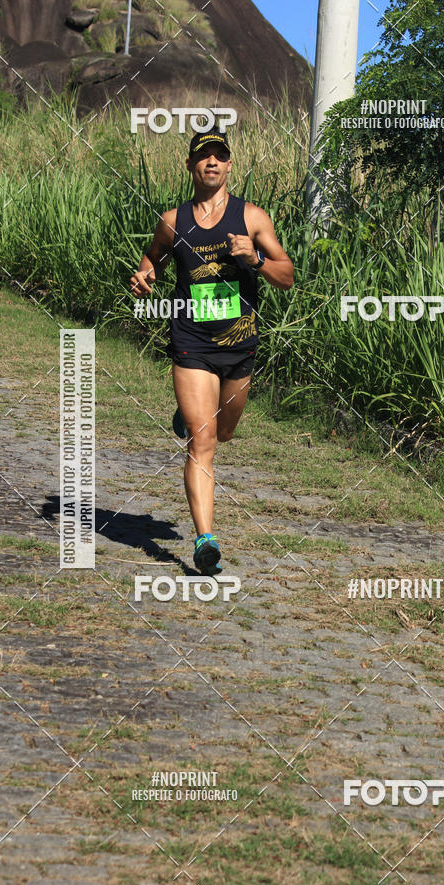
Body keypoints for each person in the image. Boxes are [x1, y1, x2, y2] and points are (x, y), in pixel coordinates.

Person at [130, 128, 294, 575]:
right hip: (191, 342)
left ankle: (191, 414)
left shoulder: (252, 217)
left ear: (229, 165)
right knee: (202, 443)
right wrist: (145, 277)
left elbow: (287, 275)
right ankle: (205, 541)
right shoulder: (173, 221)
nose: (213, 163)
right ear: (191, 166)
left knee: (222, 432)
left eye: (220, 156)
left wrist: (256, 260)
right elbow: (154, 261)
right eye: (204, 156)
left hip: (239, 344)